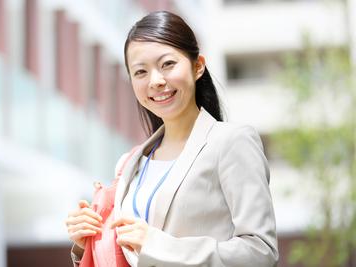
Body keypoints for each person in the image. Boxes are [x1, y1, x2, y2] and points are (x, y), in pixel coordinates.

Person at [65, 10, 279, 267]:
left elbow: (260, 253)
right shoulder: (130, 163)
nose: (155, 81)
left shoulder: (232, 143)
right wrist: (85, 242)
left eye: (167, 64)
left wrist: (156, 245)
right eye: (141, 72)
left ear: (198, 66)